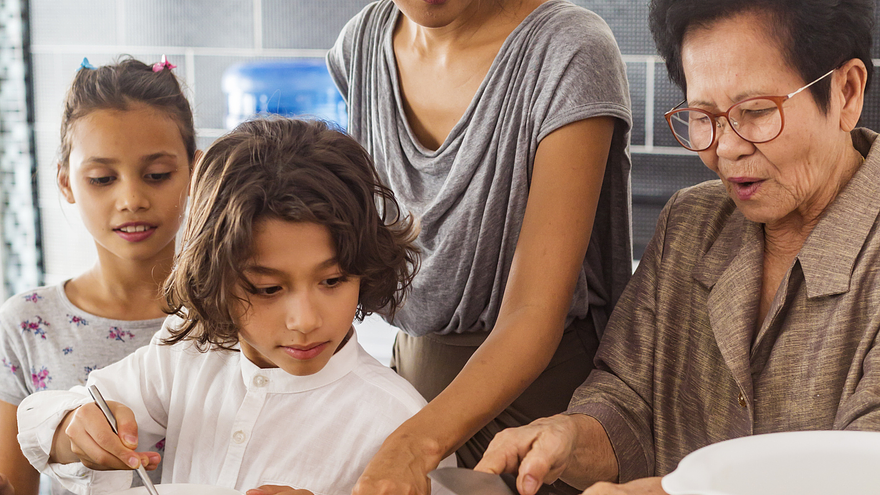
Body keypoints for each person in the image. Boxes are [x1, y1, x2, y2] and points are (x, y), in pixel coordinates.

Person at [475, 0, 879, 493]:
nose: (725, 148)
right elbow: (627, 401)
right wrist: (567, 435)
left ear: (847, 92)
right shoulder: (690, 225)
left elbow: (862, 470)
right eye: (703, 116)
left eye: (755, 112)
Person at [15, 118, 456, 495]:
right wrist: (76, 426)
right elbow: (40, 419)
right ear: (216, 280)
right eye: (267, 288)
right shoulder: (187, 353)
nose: (305, 320)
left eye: (333, 281)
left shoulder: (402, 425)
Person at [326, 0, 633, 491]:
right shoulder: (361, 44)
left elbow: (533, 311)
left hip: (534, 424)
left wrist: (413, 444)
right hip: (406, 395)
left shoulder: (568, 50)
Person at [0, 56, 195, 495]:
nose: (131, 198)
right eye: (103, 178)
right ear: (66, 182)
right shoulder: (28, 324)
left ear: (194, 170)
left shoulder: (234, 309)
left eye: (157, 175)